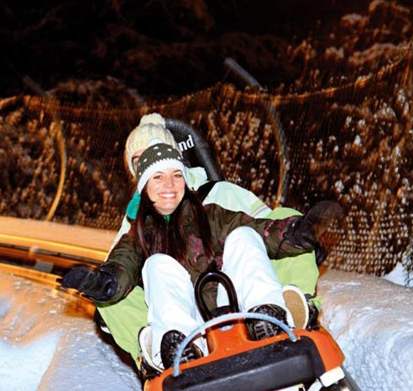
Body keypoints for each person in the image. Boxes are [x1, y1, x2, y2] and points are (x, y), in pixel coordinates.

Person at [61, 142, 341, 373]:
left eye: (176, 175)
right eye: (158, 177)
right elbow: (122, 265)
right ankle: (178, 349)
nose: (168, 184)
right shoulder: (137, 236)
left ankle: (268, 318)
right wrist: (102, 283)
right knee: (157, 264)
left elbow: (261, 230)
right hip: (193, 327)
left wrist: (297, 232)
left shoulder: (210, 213)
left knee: (243, 236)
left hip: (235, 309)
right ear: (145, 187)